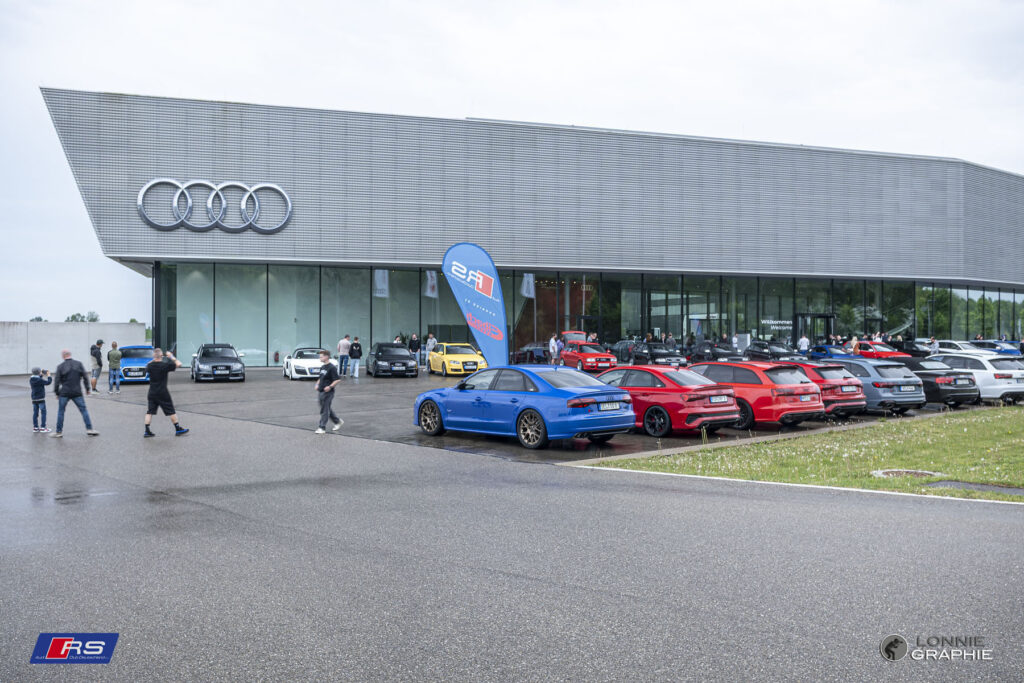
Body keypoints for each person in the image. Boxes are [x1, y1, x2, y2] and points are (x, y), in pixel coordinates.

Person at [52, 349, 98, 438]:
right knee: (83, 410)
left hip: (64, 392)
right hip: (77, 392)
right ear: (70, 354)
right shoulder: (79, 364)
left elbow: (57, 381)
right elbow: (85, 377)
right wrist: (87, 389)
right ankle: (89, 429)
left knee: (61, 412)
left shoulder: (60, 367)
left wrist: (57, 393)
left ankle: (58, 432)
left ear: (63, 356)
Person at [143, 348, 188, 437]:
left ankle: (147, 431)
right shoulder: (164, 365)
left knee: (150, 411)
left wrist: (154, 358)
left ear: (153, 356)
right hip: (163, 392)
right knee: (171, 410)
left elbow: (147, 366)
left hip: (152, 392)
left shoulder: (150, 366)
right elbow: (179, 364)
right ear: (162, 356)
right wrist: (171, 356)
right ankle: (178, 429)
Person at [314, 349, 343, 434]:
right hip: (321, 391)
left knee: (324, 410)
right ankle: (337, 422)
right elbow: (321, 377)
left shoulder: (332, 368)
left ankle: (322, 427)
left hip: (328, 393)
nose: (320, 358)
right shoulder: (323, 367)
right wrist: (317, 384)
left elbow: (337, 380)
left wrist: (330, 387)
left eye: (321, 357)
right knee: (326, 408)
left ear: (326, 357)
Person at [30, 367, 52, 433]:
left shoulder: (31, 379)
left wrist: (41, 374)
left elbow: (38, 379)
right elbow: (48, 382)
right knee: (43, 413)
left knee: (35, 413)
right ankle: (43, 427)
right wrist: (49, 375)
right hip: (41, 399)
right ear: (39, 372)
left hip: (34, 399)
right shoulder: (40, 380)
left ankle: (35, 427)